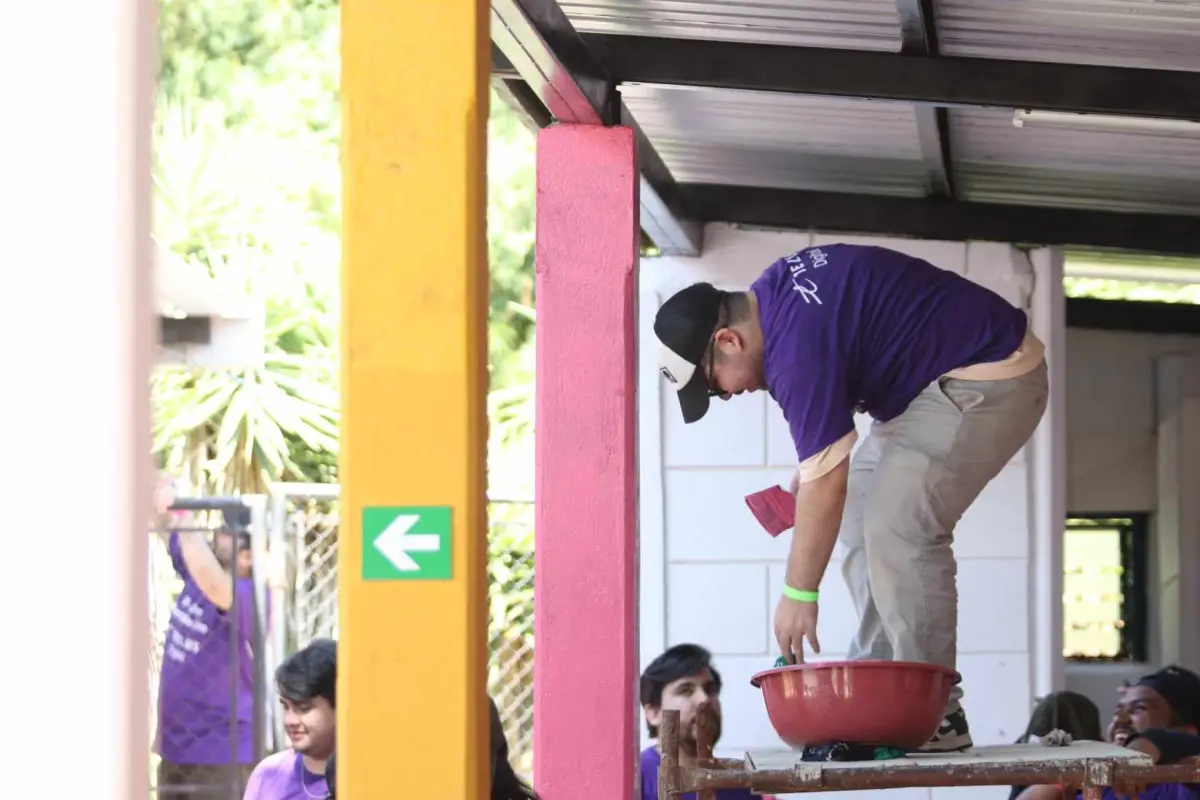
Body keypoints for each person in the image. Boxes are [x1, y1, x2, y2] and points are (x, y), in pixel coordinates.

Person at [654, 243, 1049, 752]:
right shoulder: (775, 300)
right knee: (860, 506)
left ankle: (935, 715)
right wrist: (815, 475)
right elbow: (828, 465)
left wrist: (799, 594)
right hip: (925, 392)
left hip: (992, 375)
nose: (727, 395)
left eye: (714, 386)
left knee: (898, 524)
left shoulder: (794, 348)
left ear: (728, 339)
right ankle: (883, 690)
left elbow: (827, 477)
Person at [154, 474, 260, 797]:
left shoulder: (247, 593)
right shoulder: (199, 571)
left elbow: (212, 581)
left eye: (228, 532)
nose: (218, 534)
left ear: (247, 555)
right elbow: (171, 533)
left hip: (219, 754)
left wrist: (183, 513)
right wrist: (161, 493)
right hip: (176, 746)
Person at [1015, 666, 1200, 800]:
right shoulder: (1095, 785)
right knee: (1061, 706)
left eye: (1139, 709)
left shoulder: (1180, 783)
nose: (1120, 719)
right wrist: (1058, 784)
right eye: (1117, 710)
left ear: (1185, 731)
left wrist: (1148, 742)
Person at [639, 644, 777, 800]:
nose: (704, 699)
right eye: (685, 691)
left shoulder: (739, 784)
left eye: (710, 689)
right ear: (654, 713)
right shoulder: (633, 780)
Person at [243, 638, 337, 799]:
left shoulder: (365, 777)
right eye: (286, 707)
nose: (290, 720)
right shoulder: (268, 775)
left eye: (304, 708)